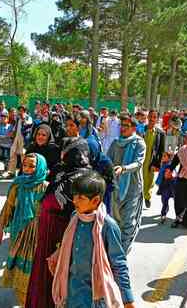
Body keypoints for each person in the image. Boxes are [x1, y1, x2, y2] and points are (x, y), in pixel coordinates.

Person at [48, 171, 136, 308]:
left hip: (95, 297)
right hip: (72, 292)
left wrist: (127, 300)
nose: (75, 201)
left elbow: (119, 264)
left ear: (95, 200)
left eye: (81, 198)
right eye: (75, 196)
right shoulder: (74, 217)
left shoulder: (108, 226)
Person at [25, 137, 92, 308]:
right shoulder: (61, 170)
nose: (62, 154)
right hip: (46, 230)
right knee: (43, 272)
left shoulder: (83, 178)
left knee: (58, 273)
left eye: (67, 151)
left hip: (63, 233)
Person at [0, 153, 48, 305]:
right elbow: (8, 207)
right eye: (25, 165)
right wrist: (0, 228)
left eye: (32, 166)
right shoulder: (18, 185)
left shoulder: (45, 187)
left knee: (34, 273)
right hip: (19, 233)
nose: (27, 169)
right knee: (18, 270)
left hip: (38, 234)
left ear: (40, 167)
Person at [107, 115, 146, 254]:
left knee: (128, 221)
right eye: (121, 125)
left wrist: (124, 168)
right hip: (116, 187)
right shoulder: (116, 143)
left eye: (126, 126)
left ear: (134, 128)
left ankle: (122, 253)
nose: (122, 128)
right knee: (116, 220)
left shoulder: (139, 143)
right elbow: (108, 160)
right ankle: (116, 248)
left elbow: (138, 163)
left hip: (132, 188)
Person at [142, 109, 165, 208]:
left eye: (154, 117)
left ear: (157, 119)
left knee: (149, 180)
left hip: (151, 161)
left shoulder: (160, 133)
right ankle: (138, 197)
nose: (152, 119)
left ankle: (147, 196)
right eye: (150, 116)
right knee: (139, 179)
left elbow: (161, 150)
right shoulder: (142, 129)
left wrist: (157, 165)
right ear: (147, 117)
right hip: (140, 159)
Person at [156, 151, 176, 224]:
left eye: (164, 156)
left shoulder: (170, 166)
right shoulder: (163, 164)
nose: (162, 158)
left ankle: (164, 214)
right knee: (164, 200)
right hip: (163, 186)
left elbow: (173, 175)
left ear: (169, 158)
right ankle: (164, 212)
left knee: (168, 200)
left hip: (170, 186)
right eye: (162, 156)